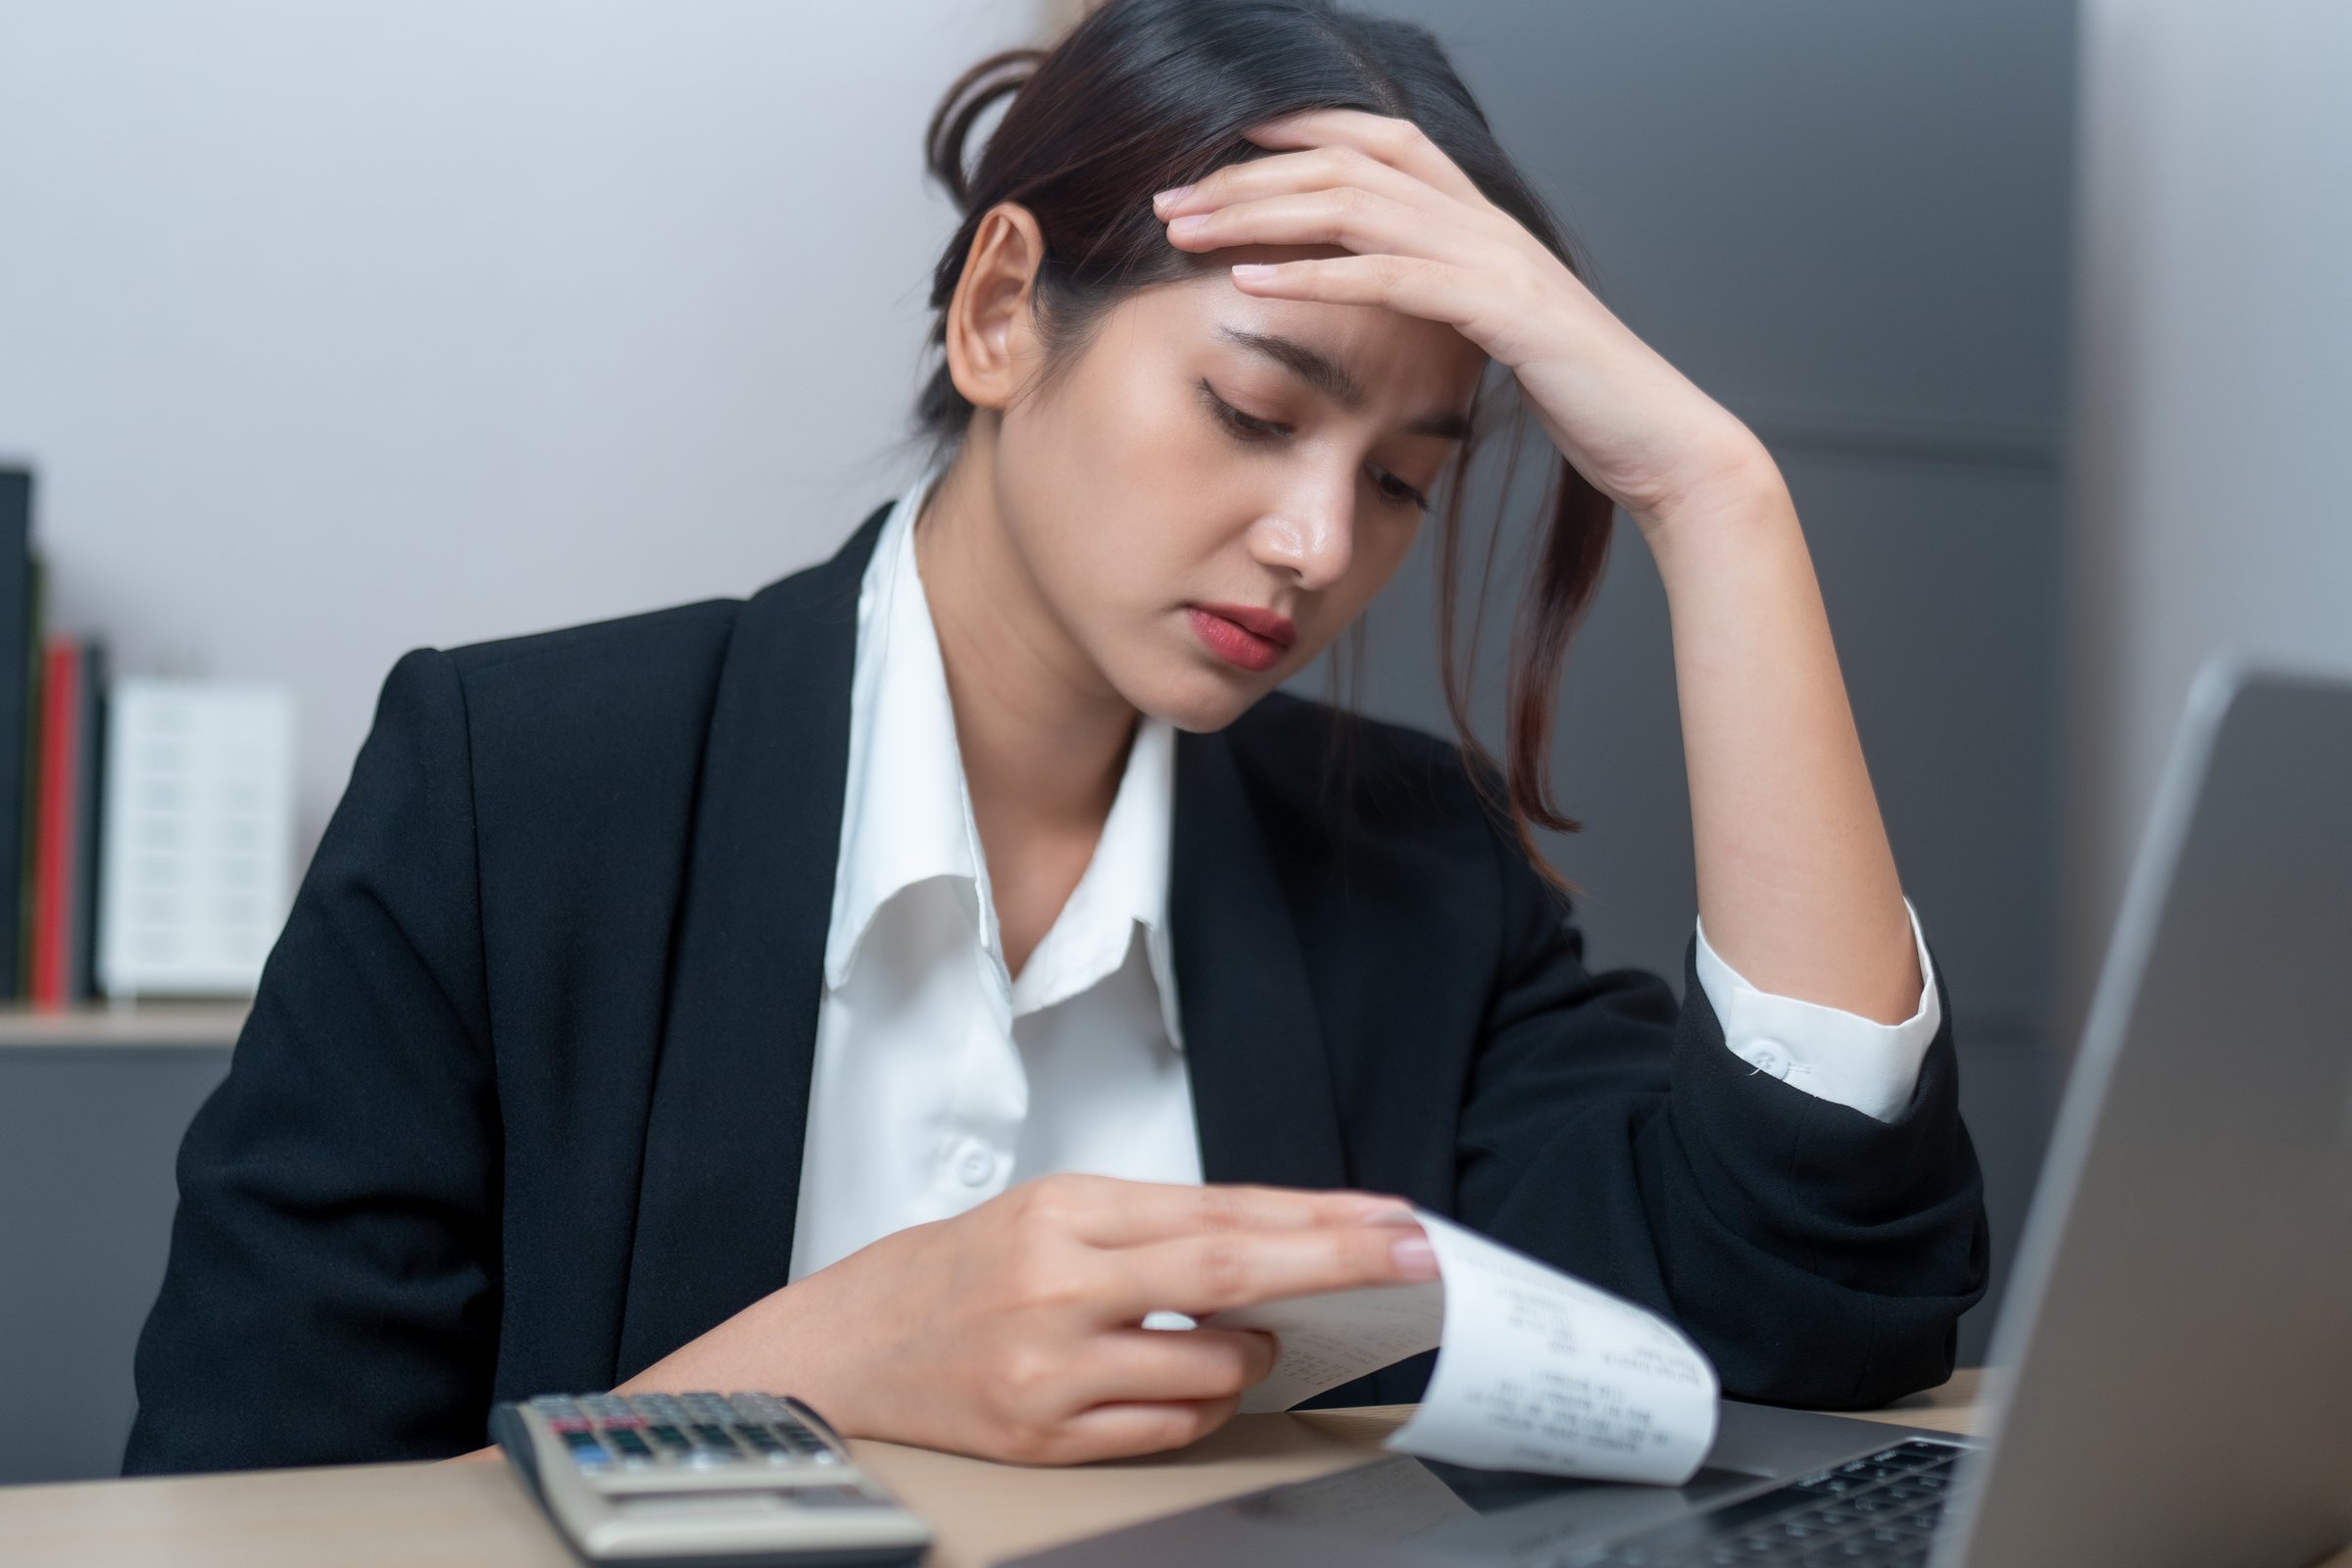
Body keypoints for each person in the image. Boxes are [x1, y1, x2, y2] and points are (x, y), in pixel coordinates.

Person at [123, 0, 1984, 1476]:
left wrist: (1714, 496)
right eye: (1258, 410)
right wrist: (807, 1374)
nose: (1320, 544)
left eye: (1405, 482)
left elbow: (1812, 1306)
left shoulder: (1414, 876)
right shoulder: (514, 790)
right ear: (1006, 310)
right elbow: (239, 1509)